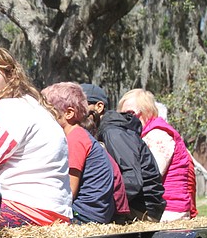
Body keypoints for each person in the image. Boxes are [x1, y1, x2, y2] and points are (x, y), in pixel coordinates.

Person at [0, 46, 72, 228]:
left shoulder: (8, 110)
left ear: (10, 76)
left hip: (28, 211)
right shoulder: (30, 106)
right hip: (56, 213)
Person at [81, 83, 165, 222]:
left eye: (82, 105)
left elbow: (132, 180)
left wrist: (98, 201)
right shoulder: (105, 131)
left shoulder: (113, 132)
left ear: (99, 107)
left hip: (142, 211)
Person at [118, 88, 197, 221]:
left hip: (168, 210)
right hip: (158, 207)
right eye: (122, 115)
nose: (126, 119)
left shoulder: (158, 135)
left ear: (147, 111)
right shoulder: (147, 134)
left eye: (130, 113)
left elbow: (150, 176)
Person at [42, 83, 116, 224]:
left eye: (48, 111)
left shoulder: (75, 139)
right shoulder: (79, 135)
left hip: (83, 215)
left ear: (69, 113)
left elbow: (69, 191)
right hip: (91, 213)